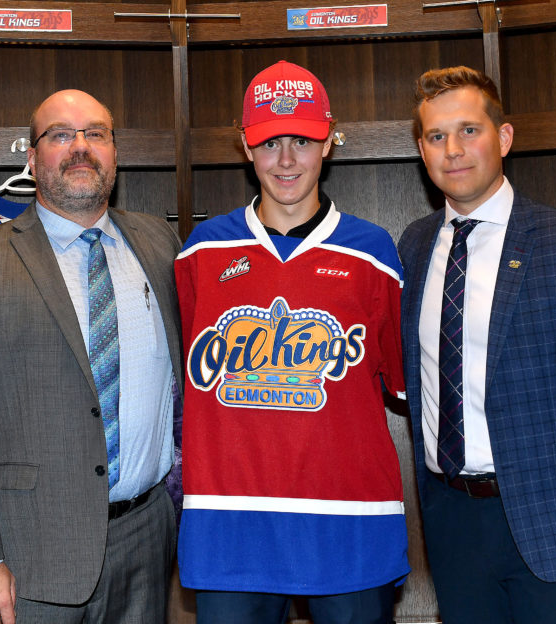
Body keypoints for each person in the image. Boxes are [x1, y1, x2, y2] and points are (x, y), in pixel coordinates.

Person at [0, 89, 182, 624]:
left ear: (115, 153)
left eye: (95, 134)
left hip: (147, 541)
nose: (80, 147)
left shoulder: (160, 243)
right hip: (26, 556)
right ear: (33, 158)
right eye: (60, 134)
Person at [397, 65, 556, 624]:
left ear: (503, 137)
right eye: (436, 136)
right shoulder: (413, 246)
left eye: (469, 130)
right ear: (421, 150)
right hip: (453, 525)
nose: (453, 150)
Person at [175, 60, 409, 623]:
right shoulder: (201, 252)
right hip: (231, 523)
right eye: (269, 142)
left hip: (349, 521)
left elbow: (405, 387)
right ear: (245, 145)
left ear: (328, 141)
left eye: (301, 141)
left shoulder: (373, 253)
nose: (285, 160)